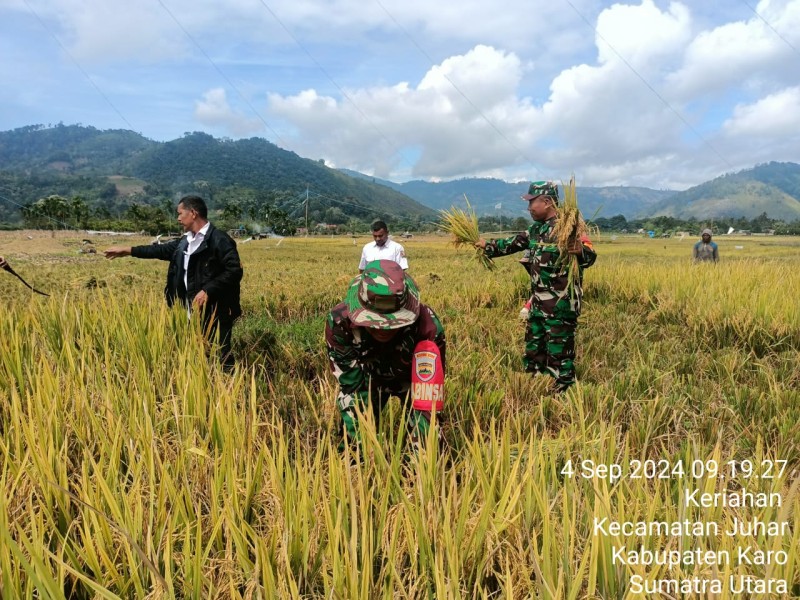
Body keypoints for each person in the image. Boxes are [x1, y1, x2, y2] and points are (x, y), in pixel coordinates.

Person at [476, 181, 597, 393]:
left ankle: (562, 393)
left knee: (559, 354)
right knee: (534, 348)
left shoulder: (569, 228)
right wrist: (486, 246)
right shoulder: (534, 230)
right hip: (538, 304)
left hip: (561, 305)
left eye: (532, 202)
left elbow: (589, 257)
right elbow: (510, 244)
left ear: (548, 201)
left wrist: (579, 251)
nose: (529, 207)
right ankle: (534, 387)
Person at [104, 195, 243, 369]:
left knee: (222, 354)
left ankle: (230, 390)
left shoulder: (219, 240)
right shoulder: (185, 242)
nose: (178, 218)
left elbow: (234, 270)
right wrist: (128, 250)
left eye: (180, 213)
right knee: (197, 354)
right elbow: (159, 249)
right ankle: (205, 388)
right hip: (190, 309)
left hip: (216, 310)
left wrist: (208, 290)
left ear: (193, 213)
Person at [325, 259, 445, 450]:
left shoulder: (427, 328)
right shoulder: (340, 323)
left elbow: (427, 395)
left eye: (394, 324)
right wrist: (367, 453)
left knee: (428, 448)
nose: (383, 330)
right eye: (374, 323)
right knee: (353, 447)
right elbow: (352, 386)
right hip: (366, 377)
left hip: (410, 379)